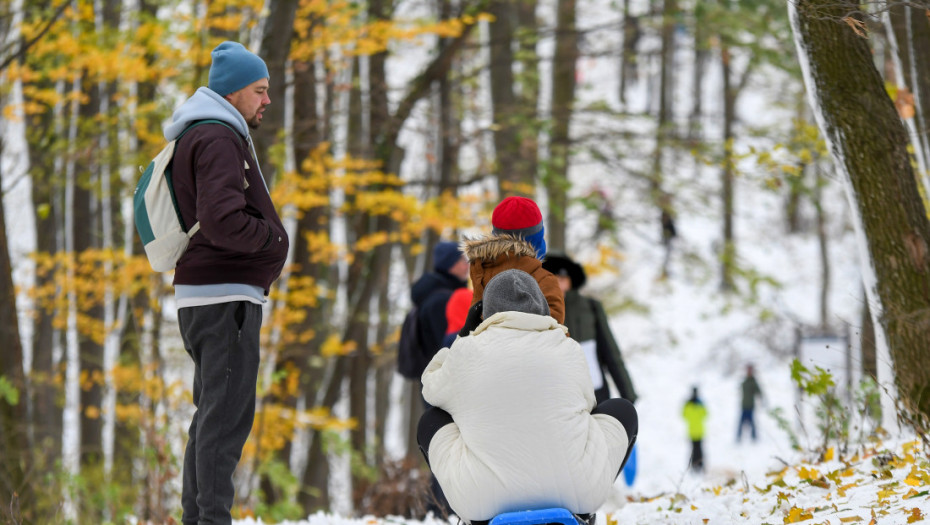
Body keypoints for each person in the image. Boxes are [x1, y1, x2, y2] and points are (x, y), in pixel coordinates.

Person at [167, 41, 289, 524]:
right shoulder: (218, 137)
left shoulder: (205, 133)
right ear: (234, 92)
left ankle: (198, 518)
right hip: (225, 300)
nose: (267, 100)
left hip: (209, 298)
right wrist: (270, 240)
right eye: (260, 91)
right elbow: (220, 220)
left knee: (212, 418)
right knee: (225, 420)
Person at [418, 269, 638, 524]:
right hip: (577, 493)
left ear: (485, 312)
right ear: (542, 306)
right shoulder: (567, 347)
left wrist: (462, 338)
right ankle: (582, 516)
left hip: (482, 503)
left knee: (432, 418)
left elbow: (430, 389)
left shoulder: (467, 351)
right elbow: (587, 408)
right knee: (621, 409)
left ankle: (474, 520)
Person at [542, 252, 637, 404]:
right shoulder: (539, 308)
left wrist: (628, 393)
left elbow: (610, 351)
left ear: (571, 280)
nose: (559, 284)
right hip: (558, 394)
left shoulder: (590, 306)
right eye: (554, 278)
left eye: (563, 278)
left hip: (595, 390)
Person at [460, 196, 565, 335]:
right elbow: (556, 333)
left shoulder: (481, 269)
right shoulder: (545, 280)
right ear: (537, 239)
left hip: (486, 352)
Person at [406, 241, 470, 386]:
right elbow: (446, 346)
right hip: (442, 383)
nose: (467, 265)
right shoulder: (441, 300)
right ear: (449, 264)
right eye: (462, 260)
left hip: (434, 380)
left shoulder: (435, 294)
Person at [682, 386, 708, 473]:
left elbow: (684, 415)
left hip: (692, 431)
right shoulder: (700, 404)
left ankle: (694, 466)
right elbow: (705, 414)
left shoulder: (688, 404)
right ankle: (699, 465)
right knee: (699, 450)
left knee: (694, 450)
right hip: (699, 431)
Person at [738, 364, 764, 442]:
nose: (748, 371)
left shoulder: (753, 382)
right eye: (747, 370)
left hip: (750, 406)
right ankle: (738, 437)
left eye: (750, 370)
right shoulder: (745, 381)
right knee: (741, 423)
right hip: (743, 405)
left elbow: (759, 392)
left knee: (752, 423)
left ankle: (754, 437)